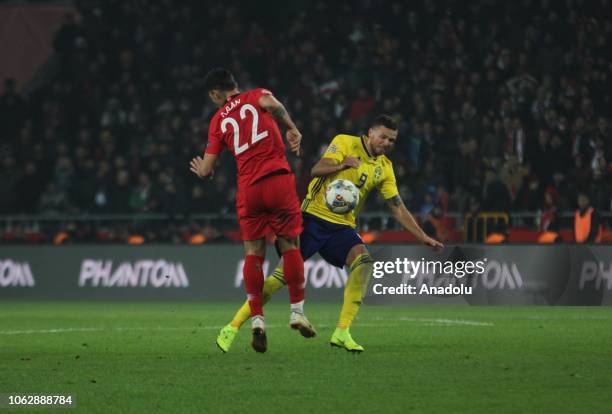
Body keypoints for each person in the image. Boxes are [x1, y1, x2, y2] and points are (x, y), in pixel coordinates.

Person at [216, 115, 443, 353]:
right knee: (279, 278)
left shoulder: (384, 168)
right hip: (311, 218)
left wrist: (422, 237)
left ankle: (342, 331)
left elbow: (397, 207)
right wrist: (342, 164)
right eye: (383, 137)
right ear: (370, 133)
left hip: (342, 227)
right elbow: (317, 170)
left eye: (392, 140)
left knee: (364, 262)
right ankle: (231, 328)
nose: (387, 143)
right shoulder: (345, 142)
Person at [190, 68, 314, 353]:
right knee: (290, 245)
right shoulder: (257, 95)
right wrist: (291, 127)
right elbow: (274, 105)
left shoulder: (217, 120)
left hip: (250, 189)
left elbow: (207, 168)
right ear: (234, 85)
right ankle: (297, 311)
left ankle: (257, 319)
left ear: (214, 94)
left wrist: (202, 173)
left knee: (253, 253)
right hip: (277, 179)